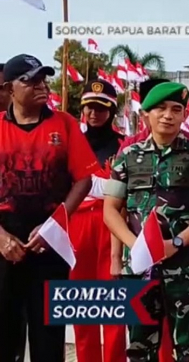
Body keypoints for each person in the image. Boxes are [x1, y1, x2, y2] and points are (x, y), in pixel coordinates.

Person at [103, 82, 189, 362]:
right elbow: (111, 209)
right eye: (160, 108)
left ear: (184, 115)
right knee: (139, 347)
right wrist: (137, 247)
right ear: (146, 113)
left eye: (176, 109)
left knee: (188, 346)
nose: (168, 115)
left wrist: (177, 242)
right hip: (139, 267)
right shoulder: (128, 156)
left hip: (185, 265)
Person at [0, 54, 98, 362]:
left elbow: (84, 179)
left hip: (50, 241)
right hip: (5, 239)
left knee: (48, 336)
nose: (41, 86)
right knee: (4, 332)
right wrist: (0, 236)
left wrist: (55, 225)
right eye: (30, 80)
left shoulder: (65, 125)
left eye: (43, 79)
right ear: (8, 89)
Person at [70, 80, 127, 362]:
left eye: (101, 108)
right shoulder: (70, 142)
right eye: (89, 107)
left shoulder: (124, 146)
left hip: (111, 227)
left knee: (114, 305)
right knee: (81, 306)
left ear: (112, 110)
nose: (94, 113)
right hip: (76, 227)